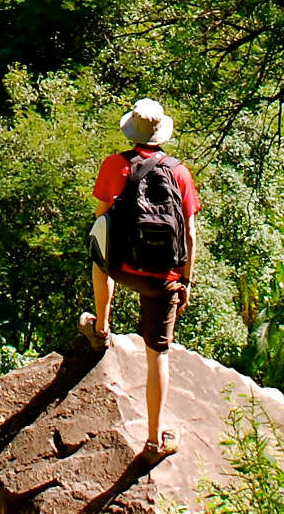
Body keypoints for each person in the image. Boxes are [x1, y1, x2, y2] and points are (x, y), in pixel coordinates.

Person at [80, 97, 200, 463]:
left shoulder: (116, 165)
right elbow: (191, 234)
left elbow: (101, 220)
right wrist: (186, 281)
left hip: (123, 267)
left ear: (132, 131)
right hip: (164, 278)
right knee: (158, 354)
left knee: (97, 256)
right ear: (161, 134)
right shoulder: (180, 172)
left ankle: (101, 330)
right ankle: (153, 441)